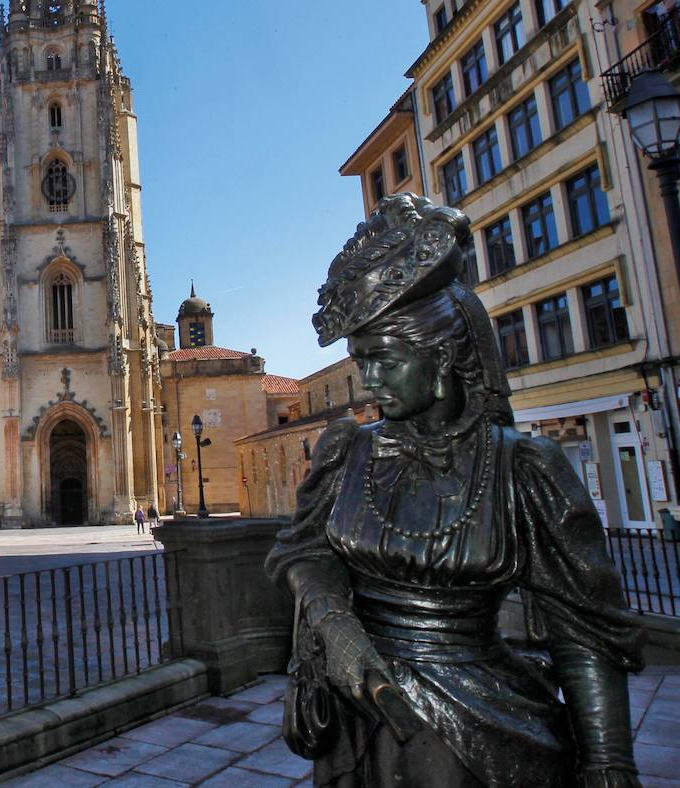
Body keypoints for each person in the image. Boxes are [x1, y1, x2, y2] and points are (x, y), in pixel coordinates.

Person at [266, 195, 643, 787]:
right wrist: (333, 624)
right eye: (360, 361)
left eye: (384, 361)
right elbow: (302, 549)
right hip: (357, 722)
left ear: (442, 357)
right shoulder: (348, 449)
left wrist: (608, 762)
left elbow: (582, 630)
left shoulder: (524, 467)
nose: (368, 380)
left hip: (481, 722)